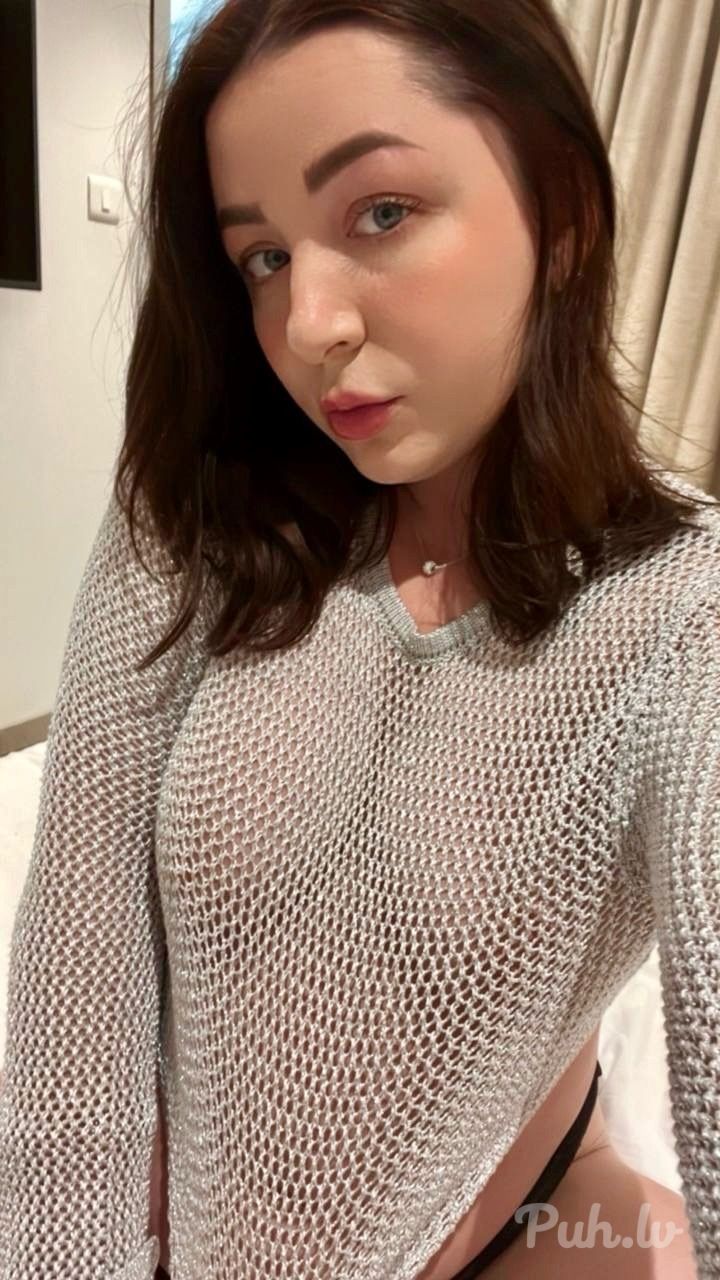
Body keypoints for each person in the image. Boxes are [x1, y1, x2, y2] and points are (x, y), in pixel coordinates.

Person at [1, 2, 718, 1278]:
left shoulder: (682, 611)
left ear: (564, 209)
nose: (308, 322)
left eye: (381, 211)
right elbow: (75, 971)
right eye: (263, 257)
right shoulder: (195, 518)